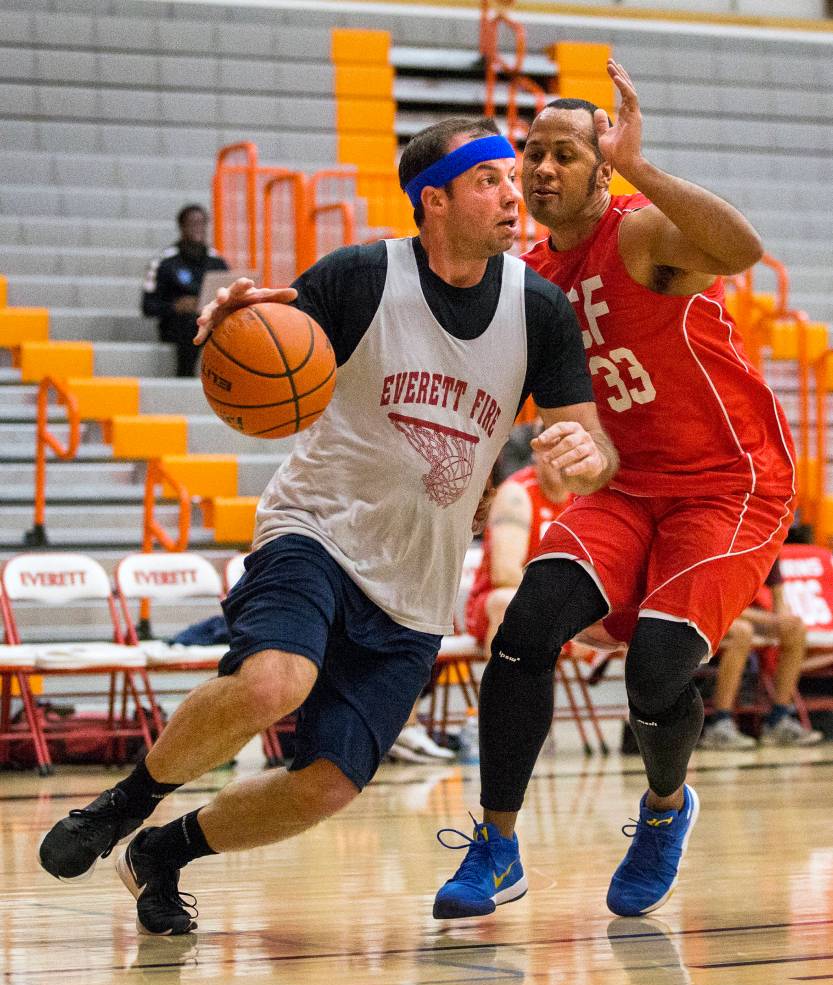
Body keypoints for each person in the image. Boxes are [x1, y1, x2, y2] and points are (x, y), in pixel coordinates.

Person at [38, 116, 617, 935]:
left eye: (508, 178)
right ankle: (124, 804)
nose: (510, 192)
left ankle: (163, 852)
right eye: (488, 180)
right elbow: (264, 329)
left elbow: (588, 445)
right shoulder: (361, 276)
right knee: (276, 680)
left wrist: (577, 452)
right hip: (316, 529)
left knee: (328, 785)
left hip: (416, 581)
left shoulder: (541, 310)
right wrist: (233, 319)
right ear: (434, 201)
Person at [433, 60, 796, 920]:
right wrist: (481, 480)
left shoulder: (642, 234)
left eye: (566, 153)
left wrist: (644, 168)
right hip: (625, 489)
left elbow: (742, 250)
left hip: (728, 482)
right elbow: (489, 395)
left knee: (656, 667)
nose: (544, 168)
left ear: (603, 169)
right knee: (521, 628)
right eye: (533, 154)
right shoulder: (526, 282)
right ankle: (495, 844)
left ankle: (665, 811)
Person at [700, 558, 822, 749]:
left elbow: (779, 603)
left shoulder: (769, 541)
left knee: (795, 628)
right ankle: (719, 723)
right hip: (708, 611)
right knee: (743, 632)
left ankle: (778, 719)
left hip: (742, 614)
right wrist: (769, 620)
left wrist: (781, 620)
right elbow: (712, 600)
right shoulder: (729, 541)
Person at [466, 442, 573, 652]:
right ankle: (503, 685)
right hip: (495, 605)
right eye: (555, 450)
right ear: (538, 452)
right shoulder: (516, 494)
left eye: (569, 452)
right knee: (511, 604)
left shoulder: (584, 498)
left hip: (558, 605)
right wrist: (561, 602)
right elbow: (505, 575)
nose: (562, 461)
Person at [142, 204, 228, 378]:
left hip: (211, 321)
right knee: (191, 323)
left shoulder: (217, 261)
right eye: (193, 223)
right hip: (177, 325)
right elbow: (148, 306)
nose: (199, 228)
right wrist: (175, 306)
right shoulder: (164, 262)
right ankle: (185, 377)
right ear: (182, 227)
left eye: (202, 223)